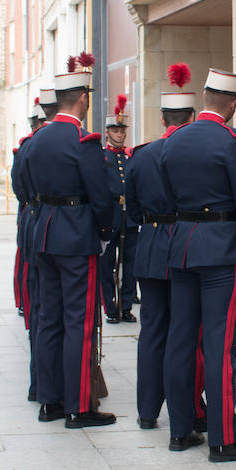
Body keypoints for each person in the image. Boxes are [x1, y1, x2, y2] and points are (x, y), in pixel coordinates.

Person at [159, 68, 236, 462]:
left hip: (183, 244)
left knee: (181, 340)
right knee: (219, 344)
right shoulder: (232, 141)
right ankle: (223, 439)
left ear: (204, 97)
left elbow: (169, 194)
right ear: (235, 104)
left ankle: (180, 430)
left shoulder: (176, 139)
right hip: (221, 247)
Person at [22, 61, 116, 428]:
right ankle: (79, 406)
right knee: (80, 320)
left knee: (49, 318)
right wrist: (105, 233)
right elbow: (100, 196)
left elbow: (27, 188)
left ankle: (49, 401)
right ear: (81, 99)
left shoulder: (37, 139)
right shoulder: (83, 141)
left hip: (43, 231)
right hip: (76, 235)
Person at [124, 84, 195, 431]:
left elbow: (133, 211)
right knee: (183, 332)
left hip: (151, 244)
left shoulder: (141, 155)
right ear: (192, 117)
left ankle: (147, 410)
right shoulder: (193, 152)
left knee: (152, 330)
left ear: (163, 117)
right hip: (184, 244)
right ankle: (187, 410)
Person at [14, 90, 58, 411]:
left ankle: (37, 384)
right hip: (45, 232)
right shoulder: (38, 145)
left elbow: (20, 190)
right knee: (45, 313)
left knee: (40, 313)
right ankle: (42, 384)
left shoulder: (26, 148)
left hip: (35, 228)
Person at [101, 98, 138, 325]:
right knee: (107, 265)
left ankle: (126, 306)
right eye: (115, 130)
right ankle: (110, 307)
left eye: (122, 130)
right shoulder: (102, 156)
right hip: (111, 214)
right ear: (107, 132)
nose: (120, 134)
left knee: (130, 264)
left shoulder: (130, 156)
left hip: (130, 217)